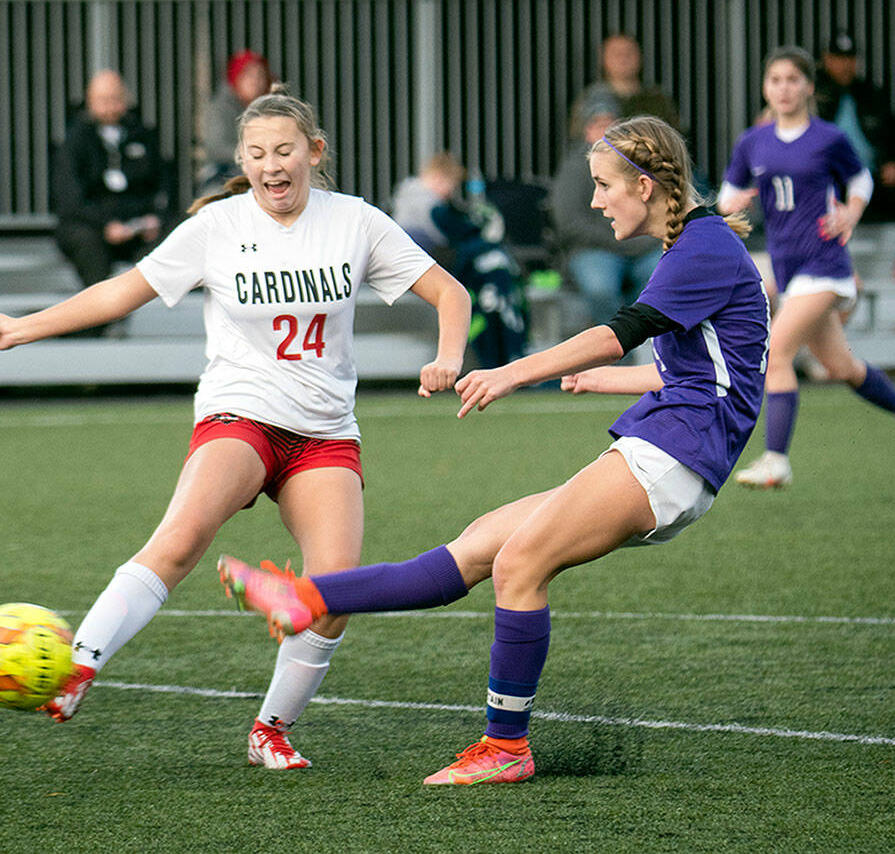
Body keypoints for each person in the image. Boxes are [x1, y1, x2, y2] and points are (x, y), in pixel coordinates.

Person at [218, 114, 770, 785]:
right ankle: (306, 596)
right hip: (666, 442)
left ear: (646, 186)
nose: (596, 201)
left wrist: (511, 371)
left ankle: (506, 746)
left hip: (676, 455)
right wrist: (611, 382)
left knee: (520, 564)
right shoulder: (694, 246)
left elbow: (612, 335)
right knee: (480, 545)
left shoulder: (700, 249)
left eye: (603, 186)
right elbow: (708, 371)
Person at [0, 88, 470, 769]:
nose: (273, 165)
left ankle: (271, 729)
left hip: (325, 432)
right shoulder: (217, 226)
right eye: (259, 153)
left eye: (286, 151)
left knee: (333, 590)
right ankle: (77, 667)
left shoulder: (355, 221)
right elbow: (122, 291)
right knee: (179, 541)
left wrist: (448, 356)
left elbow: (450, 291)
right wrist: (24, 327)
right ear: (242, 158)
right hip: (242, 413)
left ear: (314, 153)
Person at [719, 46, 895, 489]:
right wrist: (734, 202)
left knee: (775, 351)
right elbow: (727, 195)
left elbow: (860, 180)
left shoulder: (828, 138)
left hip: (826, 263)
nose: (784, 88)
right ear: (765, 87)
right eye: (775, 80)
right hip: (789, 268)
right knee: (840, 367)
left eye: (792, 79)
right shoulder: (752, 141)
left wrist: (850, 214)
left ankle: (776, 460)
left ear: (809, 87)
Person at [814, 30, 895, 285]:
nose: (846, 64)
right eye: (839, 58)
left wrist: (893, 162)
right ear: (826, 59)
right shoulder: (813, 95)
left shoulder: (870, 94)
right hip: (830, 185)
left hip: (869, 181)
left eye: (850, 58)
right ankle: (819, 267)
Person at [392, 152, 527, 367]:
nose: (450, 193)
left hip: (420, 270)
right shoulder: (429, 205)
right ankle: (504, 353)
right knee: (492, 267)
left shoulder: (408, 200)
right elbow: (456, 234)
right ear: (439, 178)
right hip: (423, 272)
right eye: (451, 185)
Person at [552, 92, 664, 330]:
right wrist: (619, 242)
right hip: (595, 248)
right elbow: (569, 224)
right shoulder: (573, 168)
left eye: (611, 123)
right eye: (597, 124)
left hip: (641, 245)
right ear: (585, 130)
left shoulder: (639, 162)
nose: (605, 131)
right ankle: (617, 348)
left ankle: (655, 347)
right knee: (600, 288)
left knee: (666, 273)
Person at [53, 70, 167, 299]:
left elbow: (163, 183)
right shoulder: (75, 140)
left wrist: (153, 217)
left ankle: (147, 302)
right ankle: (102, 316)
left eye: (116, 99)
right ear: (89, 101)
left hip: (138, 226)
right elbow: (70, 199)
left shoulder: (143, 135)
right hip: (93, 226)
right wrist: (106, 225)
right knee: (85, 242)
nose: (110, 107)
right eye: (103, 100)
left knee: (179, 233)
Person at [571, 33, 682, 138]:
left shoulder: (658, 98)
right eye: (616, 53)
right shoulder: (589, 99)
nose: (623, 58)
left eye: (629, 52)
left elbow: (674, 139)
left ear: (640, 56)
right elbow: (577, 141)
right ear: (603, 58)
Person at [199, 49, 274, 193]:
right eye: (248, 76)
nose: (255, 81)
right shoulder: (220, 107)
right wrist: (255, 155)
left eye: (260, 75)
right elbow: (217, 147)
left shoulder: (273, 108)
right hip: (226, 172)